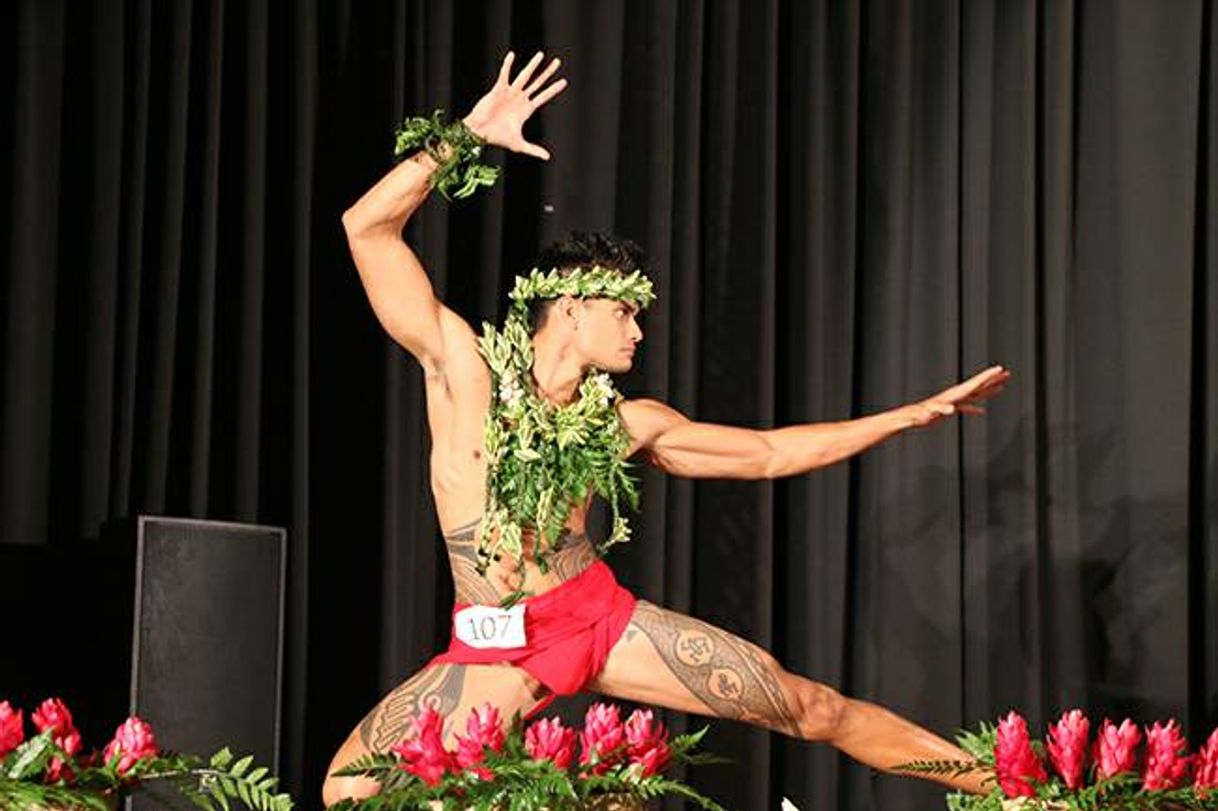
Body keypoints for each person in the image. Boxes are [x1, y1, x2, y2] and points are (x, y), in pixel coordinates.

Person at [324, 51, 1008, 806]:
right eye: (625, 312)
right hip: (492, 643)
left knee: (813, 706)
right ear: (573, 305)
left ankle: (1021, 790)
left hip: (596, 619)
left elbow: (769, 454)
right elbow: (367, 229)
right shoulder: (463, 367)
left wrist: (909, 415)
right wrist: (468, 135)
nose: (639, 333)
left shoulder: (627, 422)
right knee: (348, 791)